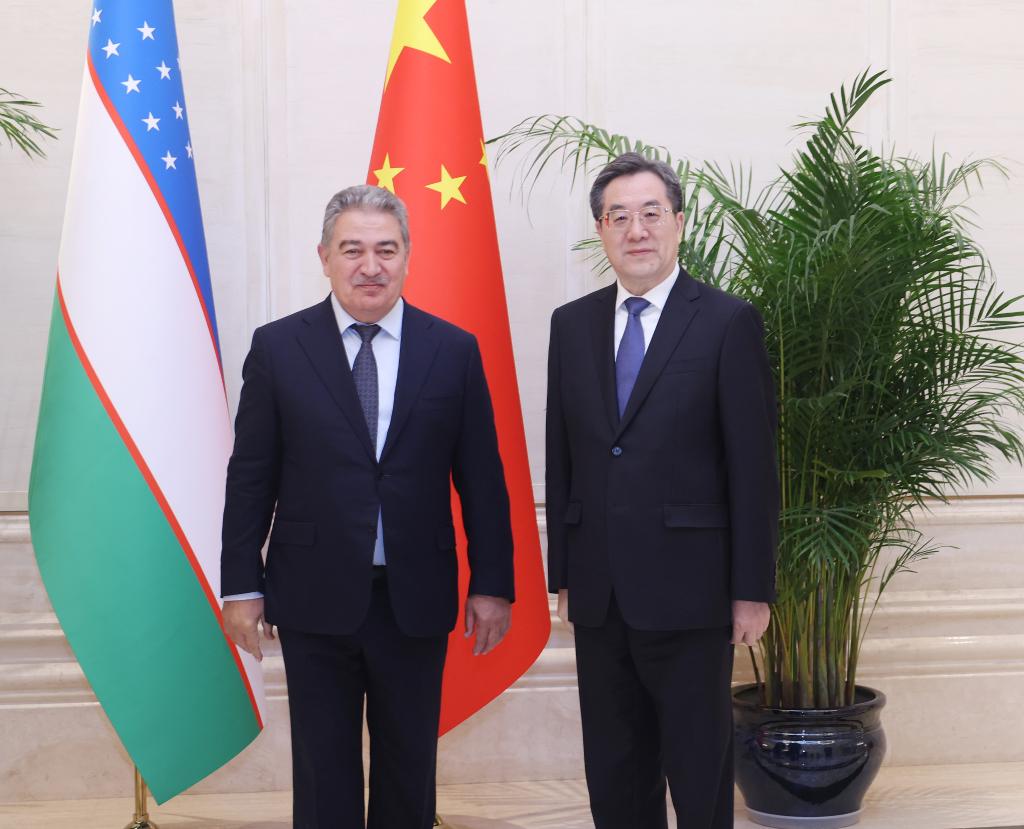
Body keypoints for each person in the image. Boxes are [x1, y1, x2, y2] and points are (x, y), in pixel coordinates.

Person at [219, 184, 515, 829]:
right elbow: (250, 476)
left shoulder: (453, 350)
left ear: (408, 255)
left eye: (386, 249)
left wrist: (493, 583)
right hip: (312, 592)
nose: (370, 266)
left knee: (408, 767)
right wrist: (241, 584)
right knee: (322, 771)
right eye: (352, 249)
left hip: (414, 594)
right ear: (324, 257)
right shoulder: (278, 348)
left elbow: (483, 479)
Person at [545, 153, 779, 829]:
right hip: (600, 592)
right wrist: (565, 571)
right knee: (615, 767)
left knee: (699, 769)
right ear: (601, 229)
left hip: (693, 590)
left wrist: (752, 588)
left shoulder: (727, 321)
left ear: (678, 222)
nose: (636, 229)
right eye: (618, 216)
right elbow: (563, 454)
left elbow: (753, 467)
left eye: (651, 213)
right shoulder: (572, 324)